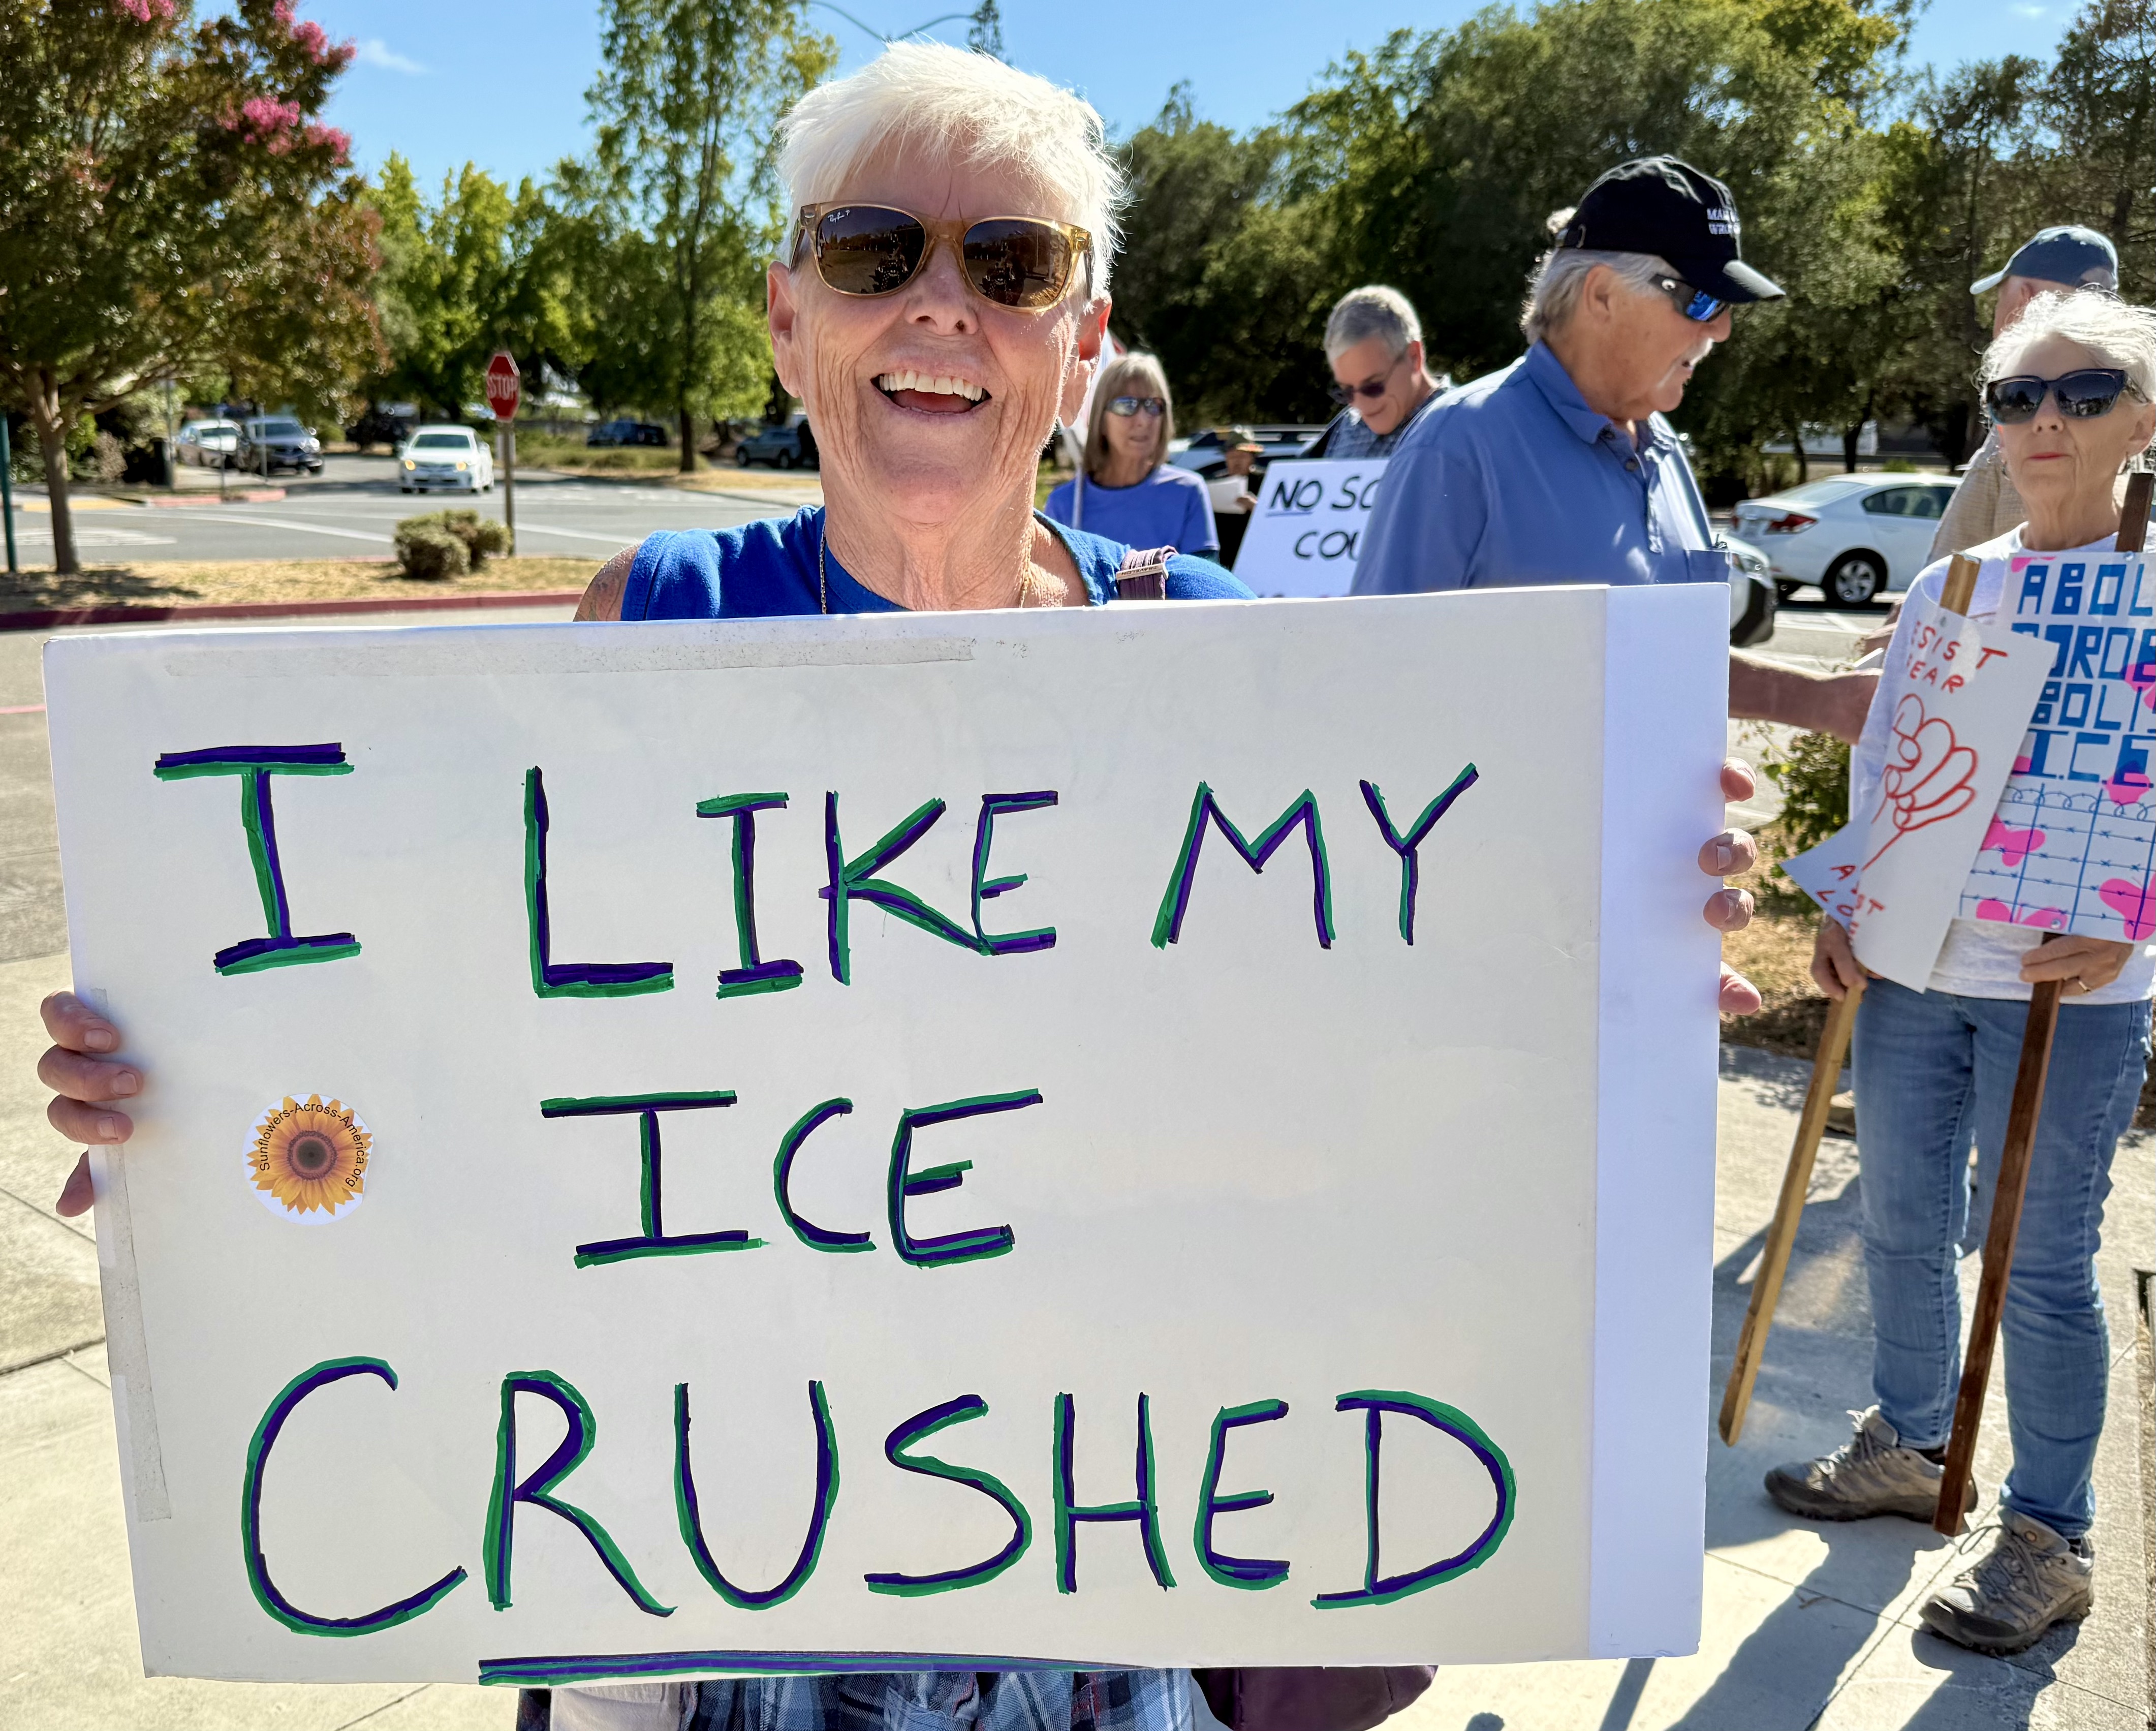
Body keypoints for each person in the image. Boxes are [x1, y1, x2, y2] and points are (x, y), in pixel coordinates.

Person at [35, 43, 1768, 1731]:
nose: (942, 304)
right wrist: (210, 1106)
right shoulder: (655, 623)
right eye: (874, 252)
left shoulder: (1219, 666)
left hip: (1113, 1560)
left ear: (1078, 341)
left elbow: (1363, 1078)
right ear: (788, 317)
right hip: (709, 1567)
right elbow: (485, 1055)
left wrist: (1597, 953)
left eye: (1011, 265)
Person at [1773, 289, 2156, 1656]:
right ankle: (1912, 1439)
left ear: (2141, 418)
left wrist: (2141, 915)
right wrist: (1848, 904)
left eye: (2084, 391)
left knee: (2038, 1264)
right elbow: (1891, 760)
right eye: (2017, 396)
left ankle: (2051, 1535)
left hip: (2076, 987)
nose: (2047, 418)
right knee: (1897, 1221)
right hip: (1918, 962)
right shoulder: (1955, 583)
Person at [1345, 155, 1874, 743]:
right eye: (1701, 300)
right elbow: (1372, 682)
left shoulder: (1660, 445)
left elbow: (1670, 661)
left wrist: (1827, 704)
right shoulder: (1458, 447)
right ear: (1601, 295)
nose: (1721, 330)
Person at [1933, 226, 2120, 561]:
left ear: (2024, 299)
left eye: (1998, 299)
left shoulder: (2024, 418)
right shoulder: (2124, 407)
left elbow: (1953, 571)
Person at [1045, 351, 1217, 555]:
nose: (1143, 420)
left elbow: (1205, 575)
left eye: (1153, 405)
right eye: (1127, 405)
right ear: (1101, 419)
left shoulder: (1187, 492)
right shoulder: (1065, 503)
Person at [1304, 287, 1445, 460]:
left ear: (1414, 356)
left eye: (1373, 387)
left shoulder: (1463, 426)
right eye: (1347, 392)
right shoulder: (1346, 429)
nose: (1361, 405)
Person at [1205, 428, 1262, 566]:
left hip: (1253, 552)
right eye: (1232, 456)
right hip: (1223, 555)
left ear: (1252, 458)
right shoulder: (1216, 482)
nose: (1237, 461)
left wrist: (1255, 507)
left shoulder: (1265, 481)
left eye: (1242, 456)